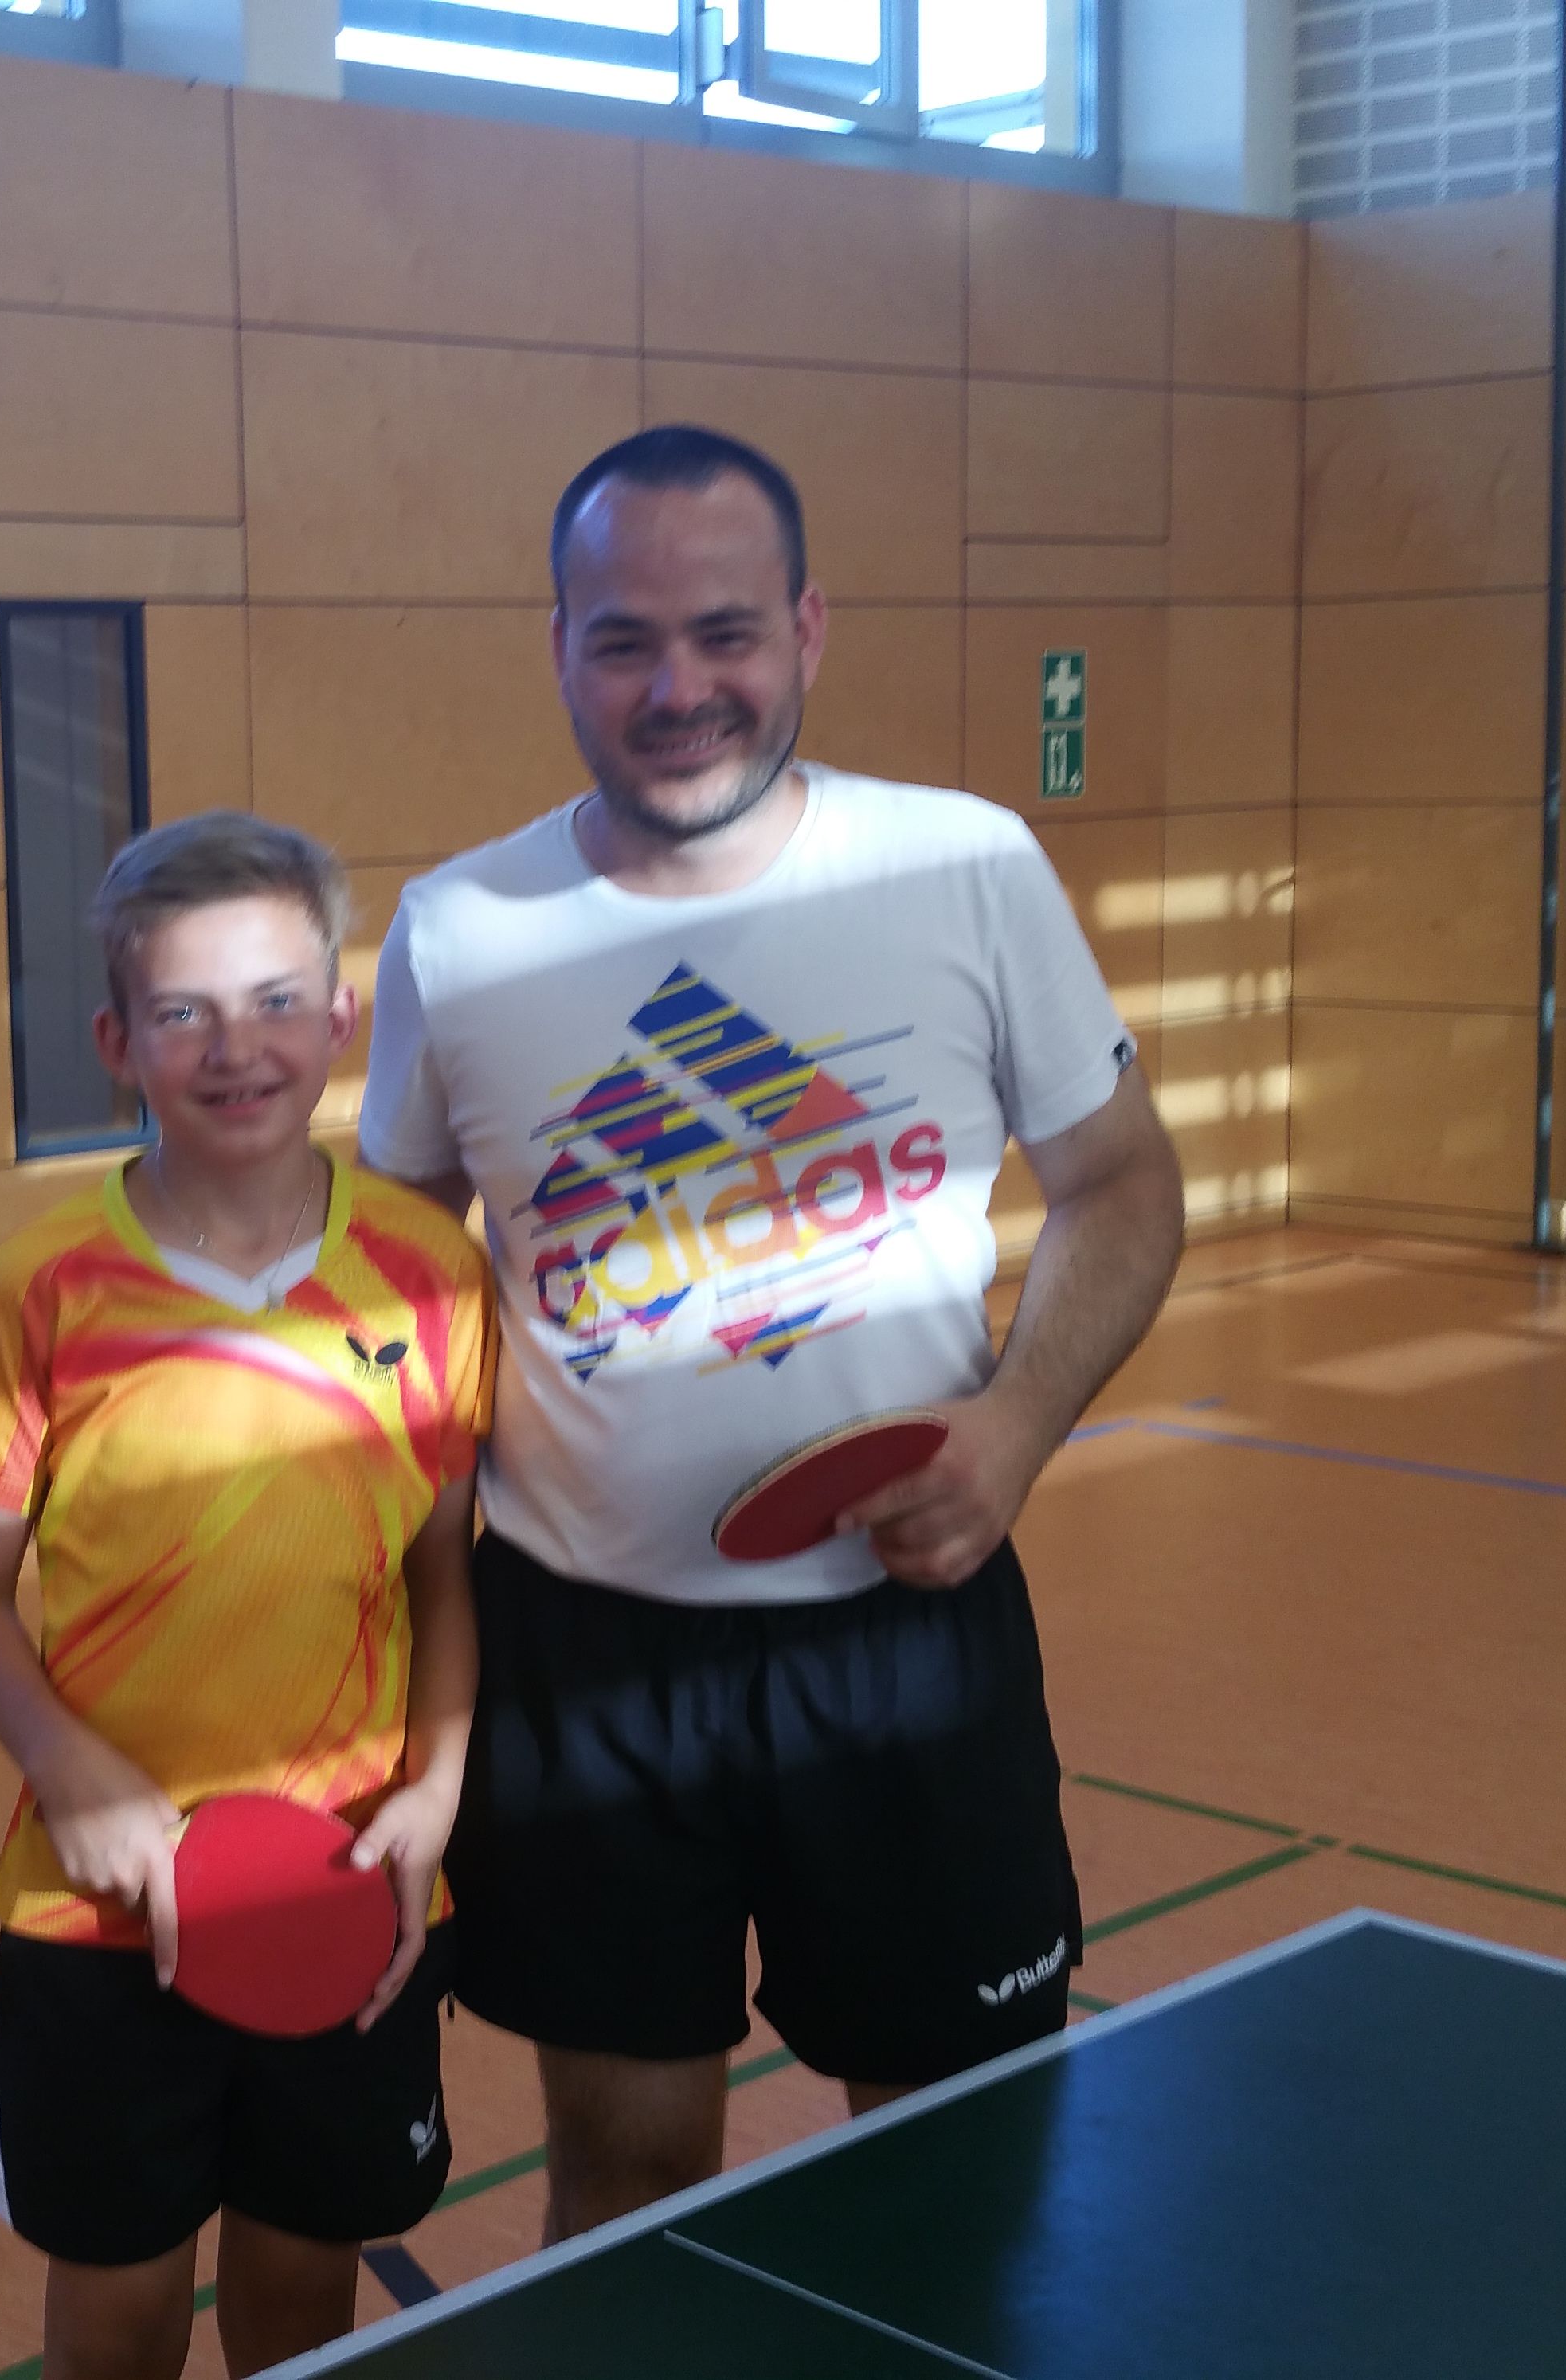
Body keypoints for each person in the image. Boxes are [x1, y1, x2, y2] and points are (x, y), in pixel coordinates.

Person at [355, 425, 1185, 2241]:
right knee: (626, 2172)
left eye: (724, 632)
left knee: (955, 2159)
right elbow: (392, 1284)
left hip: (904, 1644)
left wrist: (1014, 1429)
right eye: (624, 641)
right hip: (582, 1659)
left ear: (808, 627)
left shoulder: (963, 868)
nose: (679, 689)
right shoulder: (458, 933)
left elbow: (1125, 1185)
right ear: (559, 647)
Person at [0, 812, 495, 2379]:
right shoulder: (37, 1289)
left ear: (342, 1019)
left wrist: (437, 1789)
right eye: (183, 1012)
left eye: (275, 1001)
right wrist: (70, 1769)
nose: (237, 1049)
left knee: (303, 2288)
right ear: (118, 1043)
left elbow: (443, 1568)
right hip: (100, 1903)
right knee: (117, 2308)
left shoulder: (431, 1275)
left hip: (350, 1878)